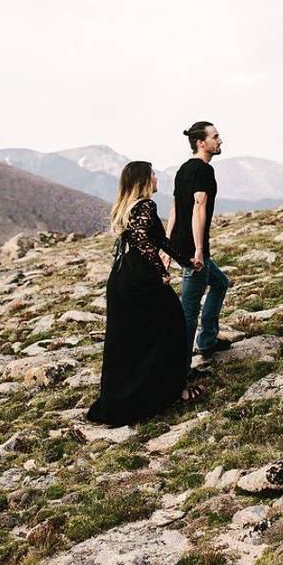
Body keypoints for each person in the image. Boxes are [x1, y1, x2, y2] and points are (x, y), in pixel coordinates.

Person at [87, 161, 204, 426]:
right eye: (152, 173)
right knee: (171, 324)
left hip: (122, 279)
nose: (156, 176)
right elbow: (143, 241)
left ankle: (135, 396)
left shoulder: (129, 208)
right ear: (144, 179)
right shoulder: (145, 206)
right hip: (139, 280)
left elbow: (160, 241)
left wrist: (186, 260)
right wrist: (160, 271)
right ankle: (170, 391)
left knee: (131, 339)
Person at [166, 121, 231, 380]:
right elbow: (197, 208)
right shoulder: (203, 171)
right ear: (201, 142)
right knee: (189, 311)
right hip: (193, 250)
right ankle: (179, 370)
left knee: (220, 283)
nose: (220, 140)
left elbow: (174, 209)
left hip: (182, 246)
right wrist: (199, 249)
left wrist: (167, 245)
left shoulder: (183, 170)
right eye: (215, 137)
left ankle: (206, 341)